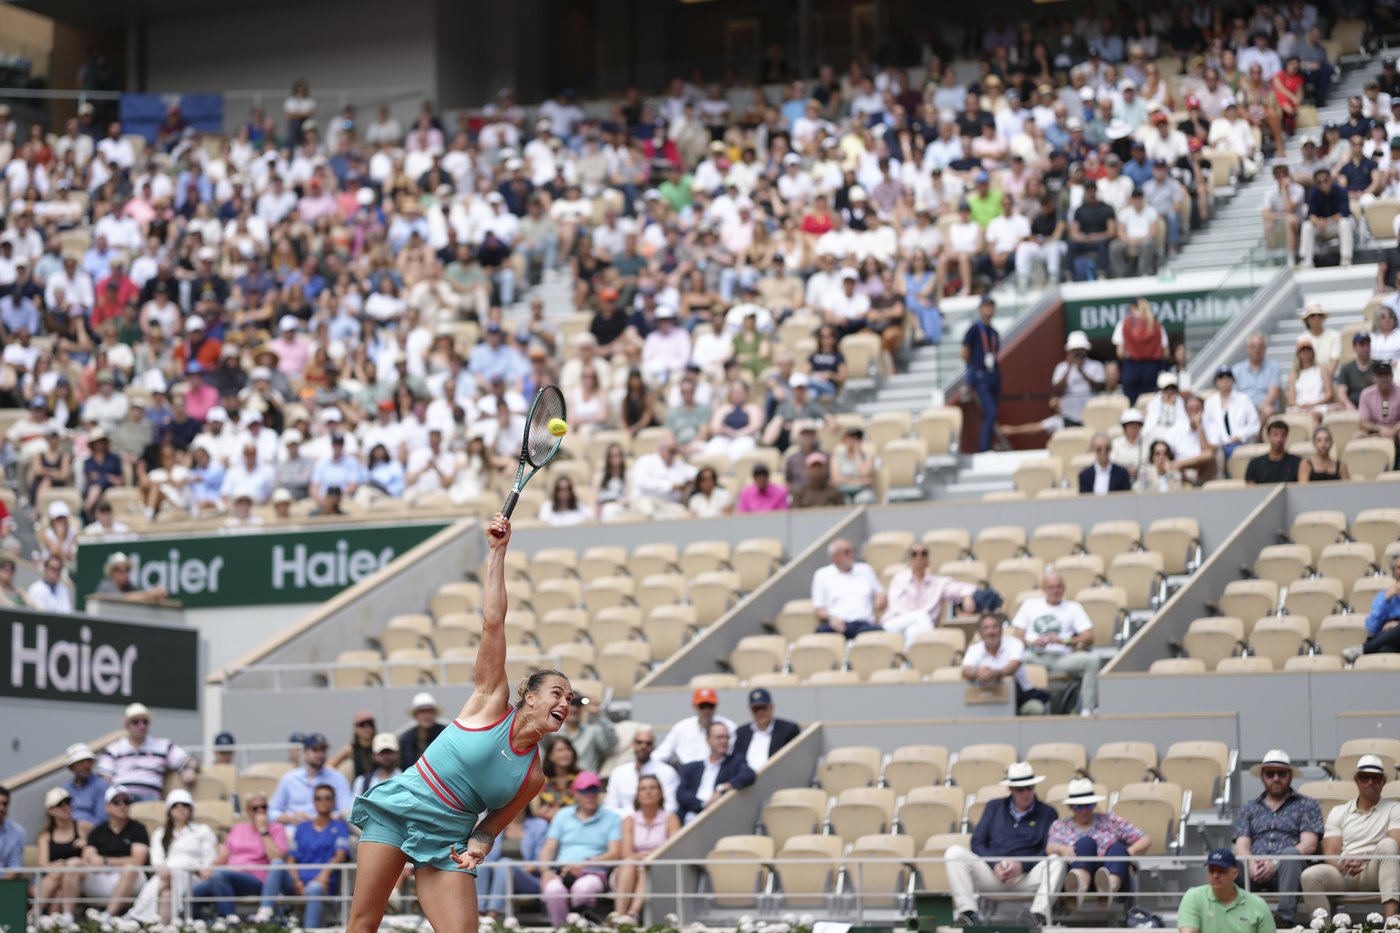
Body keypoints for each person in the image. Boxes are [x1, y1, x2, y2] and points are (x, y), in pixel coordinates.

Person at [945, 761, 1059, 926]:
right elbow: (977, 842)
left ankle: (1037, 916)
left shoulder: (1048, 812)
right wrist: (995, 864)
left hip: (1027, 876)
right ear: (1011, 789)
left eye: (1030, 787)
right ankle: (968, 913)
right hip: (993, 875)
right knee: (953, 852)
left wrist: (1021, 866)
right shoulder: (994, 807)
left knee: (1056, 860)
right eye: (1020, 789)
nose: (1026, 793)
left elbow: (1046, 850)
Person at [1301, 754, 1400, 918]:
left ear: (1383, 781)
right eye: (1364, 777)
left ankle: (1391, 924)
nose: (1369, 782)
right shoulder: (1338, 811)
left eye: (1375, 778)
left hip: (1373, 871)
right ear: (1357, 780)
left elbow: (1396, 844)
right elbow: (1330, 852)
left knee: (1388, 845)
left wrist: (1363, 858)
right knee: (1310, 875)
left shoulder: (1395, 808)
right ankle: (1323, 928)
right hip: (1344, 872)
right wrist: (1342, 863)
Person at [1233, 749, 1323, 926]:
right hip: (1255, 870)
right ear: (1262, 776)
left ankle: (1285, 921)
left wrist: (1275, 862)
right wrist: (1251, 863)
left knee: (1290, 854)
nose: (1276, 778)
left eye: (1281, 773)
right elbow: (1242, 845)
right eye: (1270, 773)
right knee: (1227, 861)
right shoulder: (1249, 807)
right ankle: (1234, 921)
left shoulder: (1307, 804)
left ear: (1290, 776)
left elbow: (1309, 845)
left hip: (1289, 871)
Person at [1047, 778, 1150, 910]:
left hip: (1110, 871)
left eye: (1088, 806)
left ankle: (1109, 887)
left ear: (1094, 805)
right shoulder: (1060, 825)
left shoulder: (1111, 821)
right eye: (1079, 807)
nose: (1084, 811)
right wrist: (1061, 849)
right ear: (1071, 807)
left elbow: (1145, 838)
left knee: (1118, 848)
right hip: (1074, 872)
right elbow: (1049, 847)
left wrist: (1127, 853)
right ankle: (1080, 884)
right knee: (1086, 843)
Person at [1011, 570, 1100, 715]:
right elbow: (1017, 637)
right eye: (1051, 587)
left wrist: (1065, 641)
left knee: (1093, 660)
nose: (1055, 590)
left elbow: (1089, 637)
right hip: (1033, 657)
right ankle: (1016, 708)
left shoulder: (1073, 607)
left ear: (1064, 588)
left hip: (1061, 658)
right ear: (1043, 589)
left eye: (1059, 587)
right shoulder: (1029, 605)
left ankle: (1087, 709)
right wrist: (1032, 642)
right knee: (1010, 660)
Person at [539, 772, 622, 925]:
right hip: (563, 872)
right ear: (575, 793)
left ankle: (583, 928)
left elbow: (615, 853)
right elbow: (548, 849)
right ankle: (561, 929)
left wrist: (583, 865)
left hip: (595, 872)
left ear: (599, 793)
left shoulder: (612, 817)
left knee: (583, 889)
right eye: (584, 791)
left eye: (594, 790)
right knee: (552, 890)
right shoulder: (562, 815)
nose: (589, 795)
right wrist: (545, 871)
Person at [191, 792, 289, 920]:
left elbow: (276, 858)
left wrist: (263, 830)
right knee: (192, 892)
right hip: (228, 877)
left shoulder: (276, 828)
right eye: (255, 808)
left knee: (220, 876)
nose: (260, 811)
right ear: (247, 811)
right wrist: (209, 869)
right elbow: (224, 855)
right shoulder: (238, 829)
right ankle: (206, 923)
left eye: (264, 807)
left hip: (256, 880)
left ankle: (229, 920)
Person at [266, 783, 351, 927]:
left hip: (322, 884)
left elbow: (340, 854)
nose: (323, 801)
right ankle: (265, 912)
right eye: (319, 798)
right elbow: (292, 857)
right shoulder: (302, 827)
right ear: (313, 802)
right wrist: (295, 880)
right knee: (277, 864)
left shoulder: (340, 826)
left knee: (314, 888)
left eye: (327, 798)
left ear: (334, 802)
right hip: (297, 883)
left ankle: (309, 930)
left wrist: (323, 876)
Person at [129, 789, 218, 924]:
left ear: (191, 809)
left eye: (184, 805)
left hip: (193, 876)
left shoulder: (202, 830)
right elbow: (157, 859)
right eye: (176, 805)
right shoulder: (160, 833)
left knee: (171, 876)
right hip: (166, 876)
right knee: (166, 895)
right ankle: (167, 927)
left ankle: (135, 915)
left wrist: (203, 871)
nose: (180, 809)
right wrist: (163, 870)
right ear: (170, 810)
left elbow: (209, 858)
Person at [610, 775, 681, 924]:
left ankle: (632, 915)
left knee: (646, 869)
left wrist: (647, 858)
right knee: (629, 864)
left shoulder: (671, 818)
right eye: (643, 789)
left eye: (652, 788)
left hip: (658, 869)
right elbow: (626, 853)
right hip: (630, 869)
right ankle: (619, 916)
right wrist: (648, 856)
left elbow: (674, 849)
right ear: (638, 795)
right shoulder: (629, 820)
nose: (648, 792)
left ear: (660, 793)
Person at [880, 542, 979, 648]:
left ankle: (908, 661)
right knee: (922, 615)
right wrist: (921, 617)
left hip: (919, 627)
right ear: (909, 558)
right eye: (915, 554)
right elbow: (897, 608)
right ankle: (933, 645)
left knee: (913, 631)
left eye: (923, 553)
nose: (919, 557)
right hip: (894, 624)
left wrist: (967, 596)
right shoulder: (899, 579)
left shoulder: (937, 583)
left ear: (928, 558)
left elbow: (965, 588)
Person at [98, 702, 197, 803]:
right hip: (122, 798)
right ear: (127, 726)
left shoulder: (163, 745)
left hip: (150, 798)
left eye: (145, 722)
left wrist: (190, 769)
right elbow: (103, 778)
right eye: (136, 722)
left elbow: (190, 760)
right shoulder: (113, 749)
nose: (141, 726)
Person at [81, 785, 151, 919]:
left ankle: (107, 916)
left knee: (130, 869)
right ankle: (65, 916)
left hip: (131, 880)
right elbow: (87, 855)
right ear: (107, 807)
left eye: (126, 802)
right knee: (74, 865)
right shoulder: (97, 831)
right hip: (102, 877)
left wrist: (106, 860)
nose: (122, 805)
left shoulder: (138, 829)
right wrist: (93, 856)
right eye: (116, 802)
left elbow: (138, 860)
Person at [962, 613, 1045, 716]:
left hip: (1020, 698)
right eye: (986, 628)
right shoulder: (974, 649)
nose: (991, 632)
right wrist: (977, 673)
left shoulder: (1015, 643)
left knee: (1035, 709)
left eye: (995, 627)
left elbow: (1012, 666)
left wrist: (997, 673)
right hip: (985, 699)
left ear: (1001, 630)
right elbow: (966, 669)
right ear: (980, 633)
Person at [1178, 849, 1276, 933]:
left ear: (1235, 873)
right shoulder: (1193, 897)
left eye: (1221, 871)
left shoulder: (1258, 904)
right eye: (1212, 870)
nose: (1215, 875)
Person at [676, 722, 756, 824]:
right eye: (719, 737)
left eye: (727, 737)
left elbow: (749, 774)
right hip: (692, 817)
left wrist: (724, 788)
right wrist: (703, 805)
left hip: (718, 818)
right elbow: (681, 794)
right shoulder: (692, 768)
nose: (724, 741)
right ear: (708, 739)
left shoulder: (735, 762)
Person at [269, 732, 354, 823]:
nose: (320, 754)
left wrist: (324, 817)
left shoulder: (337, 778)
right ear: (305, 752)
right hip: (294, 830)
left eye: (323, 750)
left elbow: (346, 810)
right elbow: (272, 811)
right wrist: (291, 818)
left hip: (327, 829)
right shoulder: (289, 778)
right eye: (315, 750)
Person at [811, 538, 886, 639]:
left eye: (852, 550)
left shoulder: (865, 569)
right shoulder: (822, 574)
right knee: (821, 633)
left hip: (863, 624)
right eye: (846, 552)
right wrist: (831, 618)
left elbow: (880, 592)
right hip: (837, 624)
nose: (851, 554)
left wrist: (879, 599)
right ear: (834, 557)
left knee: (878, 633)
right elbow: (819, 610)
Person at [603, 726, 680, 816]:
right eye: (639, 742)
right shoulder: (618, 772)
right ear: (633, 745)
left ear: (653, 747)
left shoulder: (668, 772)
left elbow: (671, 806)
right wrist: (631, 818)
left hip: (657, 825)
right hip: (622, 824)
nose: (643, 746)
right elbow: (610, 806)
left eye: (648, 743)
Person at [654, 687, 736, 766]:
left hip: (720, 771)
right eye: (702, 706)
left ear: (716, 706)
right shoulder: (681, 727)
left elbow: (735, 752)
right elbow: (663, 752)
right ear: (694, 706)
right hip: (687, 774)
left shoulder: (729, 726)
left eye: (710, 706)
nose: (706, 710)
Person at [36, 786, 86, 916]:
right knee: (58, 876)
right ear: (51, 810)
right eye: (59, 804)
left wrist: (86, 844)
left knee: (65, 872)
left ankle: (33, 915)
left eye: (67, 802)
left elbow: (92, 855)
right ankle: (54, 919)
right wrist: (59, 866)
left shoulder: (83, 827)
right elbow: (43, 864)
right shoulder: (45, 835)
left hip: (78, 879)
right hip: (54, 879)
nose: (65, 807)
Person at [962, 297, 1002, 452]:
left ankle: (990, 445)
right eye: (986, 306)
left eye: (991, 306)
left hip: (993, 375)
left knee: (993, 411)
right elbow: (965, 352)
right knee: (990, 411)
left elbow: (995, 353)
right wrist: (974, 369)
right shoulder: (974, 329)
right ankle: (984, 448)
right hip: (981, 375)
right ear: (980, 309)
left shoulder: (994, 332)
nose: (989, 310)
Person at [1346, 553, 1400, 662]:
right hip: (1390, 639)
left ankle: (1364, 648)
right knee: (1384, 650)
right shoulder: (1383, 596)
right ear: (1394, 571)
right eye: (1399, 567)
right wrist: (1386, 599)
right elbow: (1371, 627)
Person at [731, 688, 801, 773]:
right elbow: (736, 760)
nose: (760, 712)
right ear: (750, 710)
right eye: (756, 709)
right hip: (745, 781)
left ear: (772, 707)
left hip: (775, 778)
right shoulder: (741, 732)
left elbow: (794, 761)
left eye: (763, 708)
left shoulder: (787, 730)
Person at [1297, 167, 1353, 268]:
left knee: (1345, 223)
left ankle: (1346, 258)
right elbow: (1311, 214)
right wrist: (1317, 221)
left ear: (1330, 179)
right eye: (1319, 182)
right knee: (1307, 226)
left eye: (1325, 180)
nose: (1323, 184)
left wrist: (1327, 220)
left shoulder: (1341, 191)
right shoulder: (1313, 193)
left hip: (1336, 224)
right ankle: (1307, 260)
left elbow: (1343, 213)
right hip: (1322, 226)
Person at [1204, 366, 1262, 462]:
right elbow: (1208, 426)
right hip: (1218, 445)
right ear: (1216, 382)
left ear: (1233, 380)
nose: (1225, 380)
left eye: (1228, 377)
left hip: (1240, 443)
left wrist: (1240, 435)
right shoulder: (1210, 402)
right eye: (1221, 377)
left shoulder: (1244, 399)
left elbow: (1255, 425)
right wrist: (1218, 441)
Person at [550, 694, 618, 774]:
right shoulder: (553, 732)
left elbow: (611, 744)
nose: (574, 709)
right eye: (570, 703)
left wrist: (599, 715)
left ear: (583, 708)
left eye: (578, 703)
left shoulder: (593, 731)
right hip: (558, 782)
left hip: (586, 783)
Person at [1235, 332, 1285, 424]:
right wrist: (1249, 409)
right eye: (1253, 347)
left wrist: (1258, 407)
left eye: (1260, 347)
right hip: (1243, 407)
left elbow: (1273, 395)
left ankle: (1257, 437)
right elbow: (1234, 395)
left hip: (1264, 407)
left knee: (1268, 411)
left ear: (1265, 349)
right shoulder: (1237, 370)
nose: (1256, 350)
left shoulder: (1274, 367)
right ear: (1247, 349)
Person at [1357, 360, 1399, 464]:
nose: (1383, 378)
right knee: (1356, 436)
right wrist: (1379, 428)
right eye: (1380, 375)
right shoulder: (1366, 394)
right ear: (1374, 378)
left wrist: (1394, 429)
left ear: (1392, 376)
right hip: (1375, 429)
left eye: (1386, 374)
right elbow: (1364, 422)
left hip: (1397, 429)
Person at [61, 743, 109, 832]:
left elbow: (102, 819)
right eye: (80, 763)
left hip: (94, 832)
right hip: (67, 831)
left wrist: (81, 825)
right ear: (71, 767)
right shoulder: (65, 789)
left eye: (88, 761)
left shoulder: (101, 785)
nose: (85, 766)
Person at [398, 691, 448, 770]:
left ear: (435, 714)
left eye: (430, 711)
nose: (427, 715)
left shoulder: (445, 734)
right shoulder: (406, 739)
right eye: (422, 711)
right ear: (415, 715)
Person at [1246, 418, 1303, 484]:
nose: (1279, 439)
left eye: (1283, 435)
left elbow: (1301, 489)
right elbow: (1251, 490)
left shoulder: (1297, 463)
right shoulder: (1255, 464)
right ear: (1268, 435)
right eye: (1275, 435)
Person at [330, 710, 378, 782]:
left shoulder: (379, 746)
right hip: (358, 789)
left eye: (370, 724)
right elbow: (329, 765)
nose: (367, 729)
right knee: (348, 766)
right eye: (362, 725)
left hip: (378, 787)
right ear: (355, 729)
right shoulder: (350, 749)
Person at [1334, 332, 1376, 408]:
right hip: (1353, 404)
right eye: (1362, 344)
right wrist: (1348, 405)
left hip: (1374, 404)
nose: (1366, 348)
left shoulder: (1378, 366)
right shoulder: (1346, 368)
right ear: (1354, 347)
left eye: (1368, 344)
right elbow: (1341, 391)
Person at [0, 785, 24, 886]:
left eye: (5, 804)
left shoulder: (17, 831)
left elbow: (15, 867)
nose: (1, 808)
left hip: (6, 886)